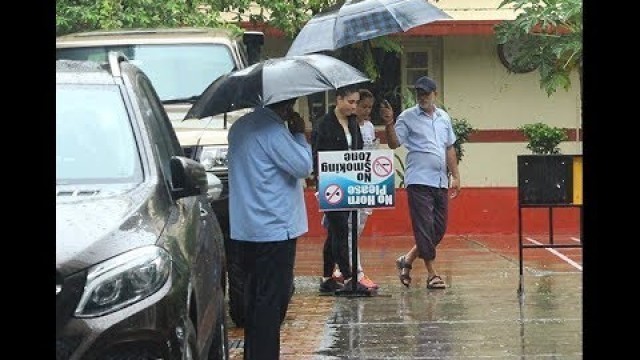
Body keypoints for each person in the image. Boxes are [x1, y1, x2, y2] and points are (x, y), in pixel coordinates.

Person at [227, 97, 313, 359]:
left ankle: (254, 354)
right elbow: (303, 166)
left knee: (254, 299)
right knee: (271, 304)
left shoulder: (239, 127)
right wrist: (299, 135)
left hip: (246, 227)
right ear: (286, 106)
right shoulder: (274, 132)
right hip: (275, 228)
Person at [383, 76, 461, 290]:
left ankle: (407, 260)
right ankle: (432, 273)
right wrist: (389, 122)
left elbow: (449, 147)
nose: (422, 97)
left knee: (438, 229)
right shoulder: (407, 117)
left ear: (435, 94)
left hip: (440, 181)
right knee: (424, 227)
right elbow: (393, 143)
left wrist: (455, 175)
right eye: (419, 93)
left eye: (426, 93)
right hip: (418, 180)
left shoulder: (444, 117)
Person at [326, 88, 394, 290]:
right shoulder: (346, 126)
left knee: (357, 228)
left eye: (368, 107)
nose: (364, 110)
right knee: (347, 229)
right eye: (361, 106)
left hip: (366, 182)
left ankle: (342, 267)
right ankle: (355, 271)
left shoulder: (370, 127)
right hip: (347, 182)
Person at [313, 85, 372, 294]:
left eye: (356, 102)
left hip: (350, 180)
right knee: (340, 228)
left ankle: (328, 276)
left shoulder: (354, 123)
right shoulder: (324, 125)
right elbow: (317, 155)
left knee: (334, 232)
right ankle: (349, 276)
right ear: (339, 99)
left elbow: (357, 152)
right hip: (331, 183)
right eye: (350, 102)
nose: (354, 106)